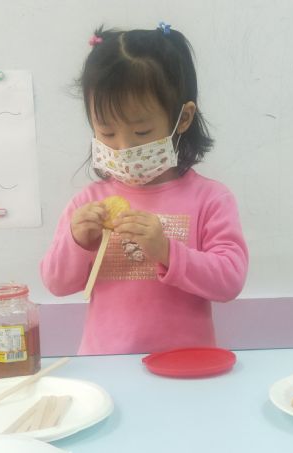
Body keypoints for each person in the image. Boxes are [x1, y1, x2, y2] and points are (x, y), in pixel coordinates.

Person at [40, 22, 249, 355]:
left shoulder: (210, 199)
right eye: (107, 133)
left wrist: (167, 251)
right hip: (106, 366)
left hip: (186, 365)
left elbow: (230, 280)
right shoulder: (90, 202)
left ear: (183, 119)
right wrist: (78, 241)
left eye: (141, 132)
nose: (123, 147)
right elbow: (55, 282)